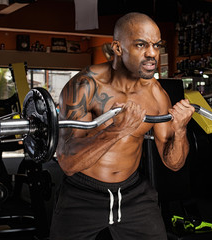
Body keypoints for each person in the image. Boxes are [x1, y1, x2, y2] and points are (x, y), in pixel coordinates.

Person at [50, 12, 195, 240]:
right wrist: (116, 131)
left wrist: (180, 131)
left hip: (133, 194)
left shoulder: (156, 94)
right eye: (141, 45)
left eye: (156, 46)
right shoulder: (85, 86)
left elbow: (173, 164)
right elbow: (68, 163)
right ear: (117, 48)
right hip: (82, 195)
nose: (152, 54)